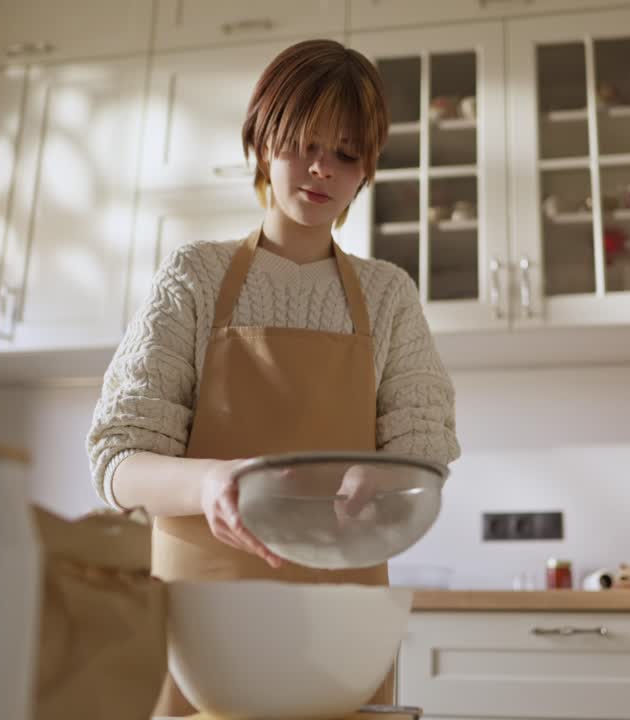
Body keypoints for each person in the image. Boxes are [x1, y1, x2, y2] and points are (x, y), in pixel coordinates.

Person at [86, 39, 461, 715]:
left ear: (366, 170)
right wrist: (210, 483)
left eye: (346, 154)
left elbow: (423, 454)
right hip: (202, 630)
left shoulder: (388, 295)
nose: (322, 169)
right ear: (263, 142)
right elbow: (117, 461)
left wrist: (384, 480)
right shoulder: (194, 276)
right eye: (302, 144)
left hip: (341, 635)